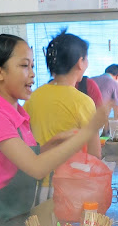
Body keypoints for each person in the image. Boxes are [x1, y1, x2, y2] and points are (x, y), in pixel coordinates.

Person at [0, 34, 108, 226]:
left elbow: (19, 160)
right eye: (24, 66)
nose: (32, 74)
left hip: (12, 221)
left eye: (32, 66)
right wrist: (86, 132)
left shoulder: (19, 113)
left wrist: (47, 147)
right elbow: (35, 167)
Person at [25, 30, 101, 159]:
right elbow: (95, 154)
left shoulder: (32, 97)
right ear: (80, 62)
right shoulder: (83, 102)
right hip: (71, 177)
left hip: (40, 174)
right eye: (86, 59)